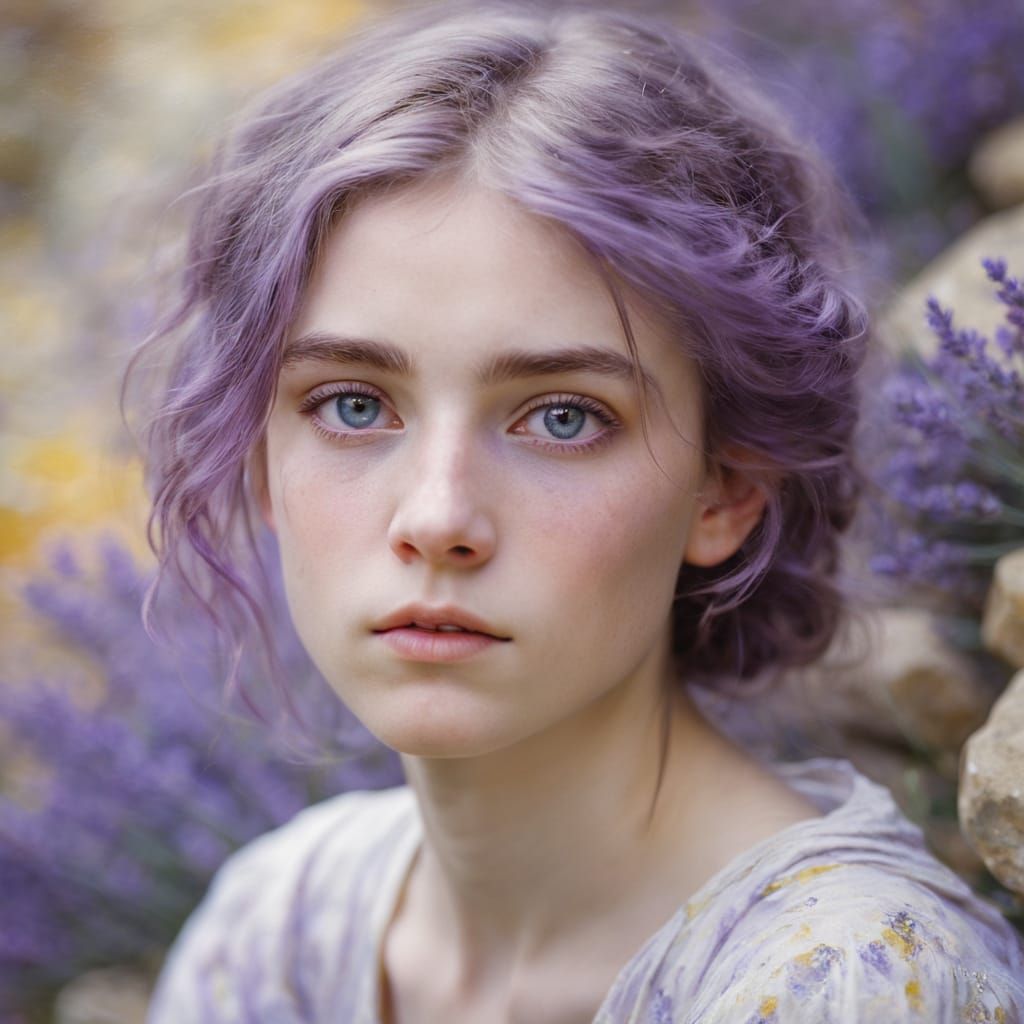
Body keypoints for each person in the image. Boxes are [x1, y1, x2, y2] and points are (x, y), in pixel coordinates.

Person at [125, 1, 1024, 1020]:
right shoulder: (276, 937)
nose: (437, 516)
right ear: (257, 456)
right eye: (353, 404)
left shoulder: (848, 985)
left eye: (561, 417)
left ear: (726, 488)